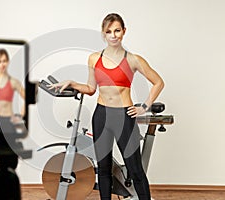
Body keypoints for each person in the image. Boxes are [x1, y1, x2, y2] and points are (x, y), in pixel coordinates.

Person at [49, 13, 164, 200]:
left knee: (135, 168)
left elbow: (158, 82)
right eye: (109, 31)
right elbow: (91, 89)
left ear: (124, 31)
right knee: (103, 167)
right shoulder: (94, 59)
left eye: (117, 30)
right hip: (101, 115)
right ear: (103, 33)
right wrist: (71, 83)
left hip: (123, 116)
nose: (113, 35)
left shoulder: (134, 60)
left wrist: (144, 106)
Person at [0, 48, 25, 136]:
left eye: (4, 61)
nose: (2, 64)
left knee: (9, 148)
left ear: (8, 62)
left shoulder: (13, 82)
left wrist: (20, 115)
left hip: (8, 120)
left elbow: (28, 98)